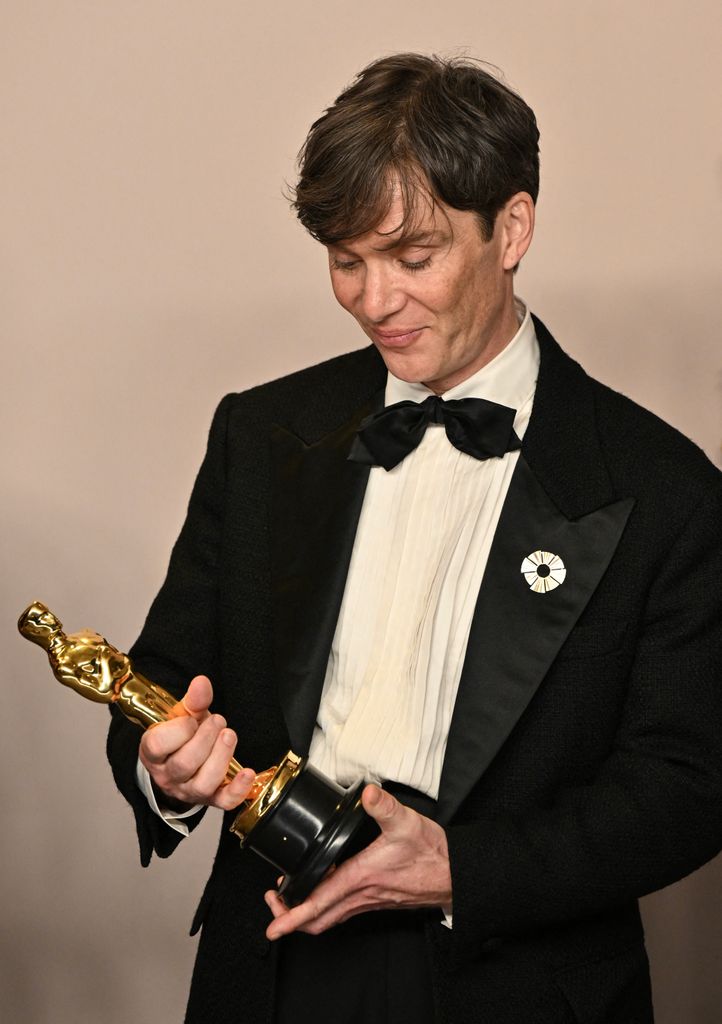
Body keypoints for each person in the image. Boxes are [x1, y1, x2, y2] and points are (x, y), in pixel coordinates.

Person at [106, 53, 722, 1023]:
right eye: (345, 262)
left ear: (510, 227)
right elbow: (164, 675)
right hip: (271, 967)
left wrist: (459, 868)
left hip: (513, 982)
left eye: (412, 257)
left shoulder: (665, 491)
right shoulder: (259, 435)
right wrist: (165, 765)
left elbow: (687, 786)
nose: (371, 300)